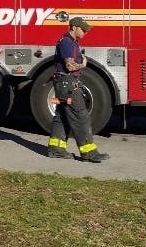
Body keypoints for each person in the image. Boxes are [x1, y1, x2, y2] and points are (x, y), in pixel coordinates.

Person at [46, 16, 109, 163]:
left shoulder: (71, 42)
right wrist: (83, 64)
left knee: (62, 116)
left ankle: (56, 149)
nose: (85, 32)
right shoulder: (67, 43)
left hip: (64, 83)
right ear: (74, 27)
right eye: (83, 29)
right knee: (81, 116)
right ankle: (89, 153)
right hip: (67, 84)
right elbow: (69, 66)